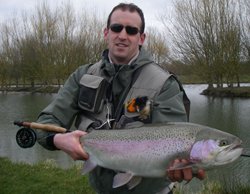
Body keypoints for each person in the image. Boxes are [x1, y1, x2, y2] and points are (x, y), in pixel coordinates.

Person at [36, 3, 205, 194]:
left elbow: (176, 139)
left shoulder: (164, 84)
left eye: (131, 30)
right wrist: (59, 140)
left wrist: (182, 165)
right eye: (116, 28)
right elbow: (45, 123)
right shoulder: (82, 76)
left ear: (141, 38)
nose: (123, 35)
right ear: (106, 33)